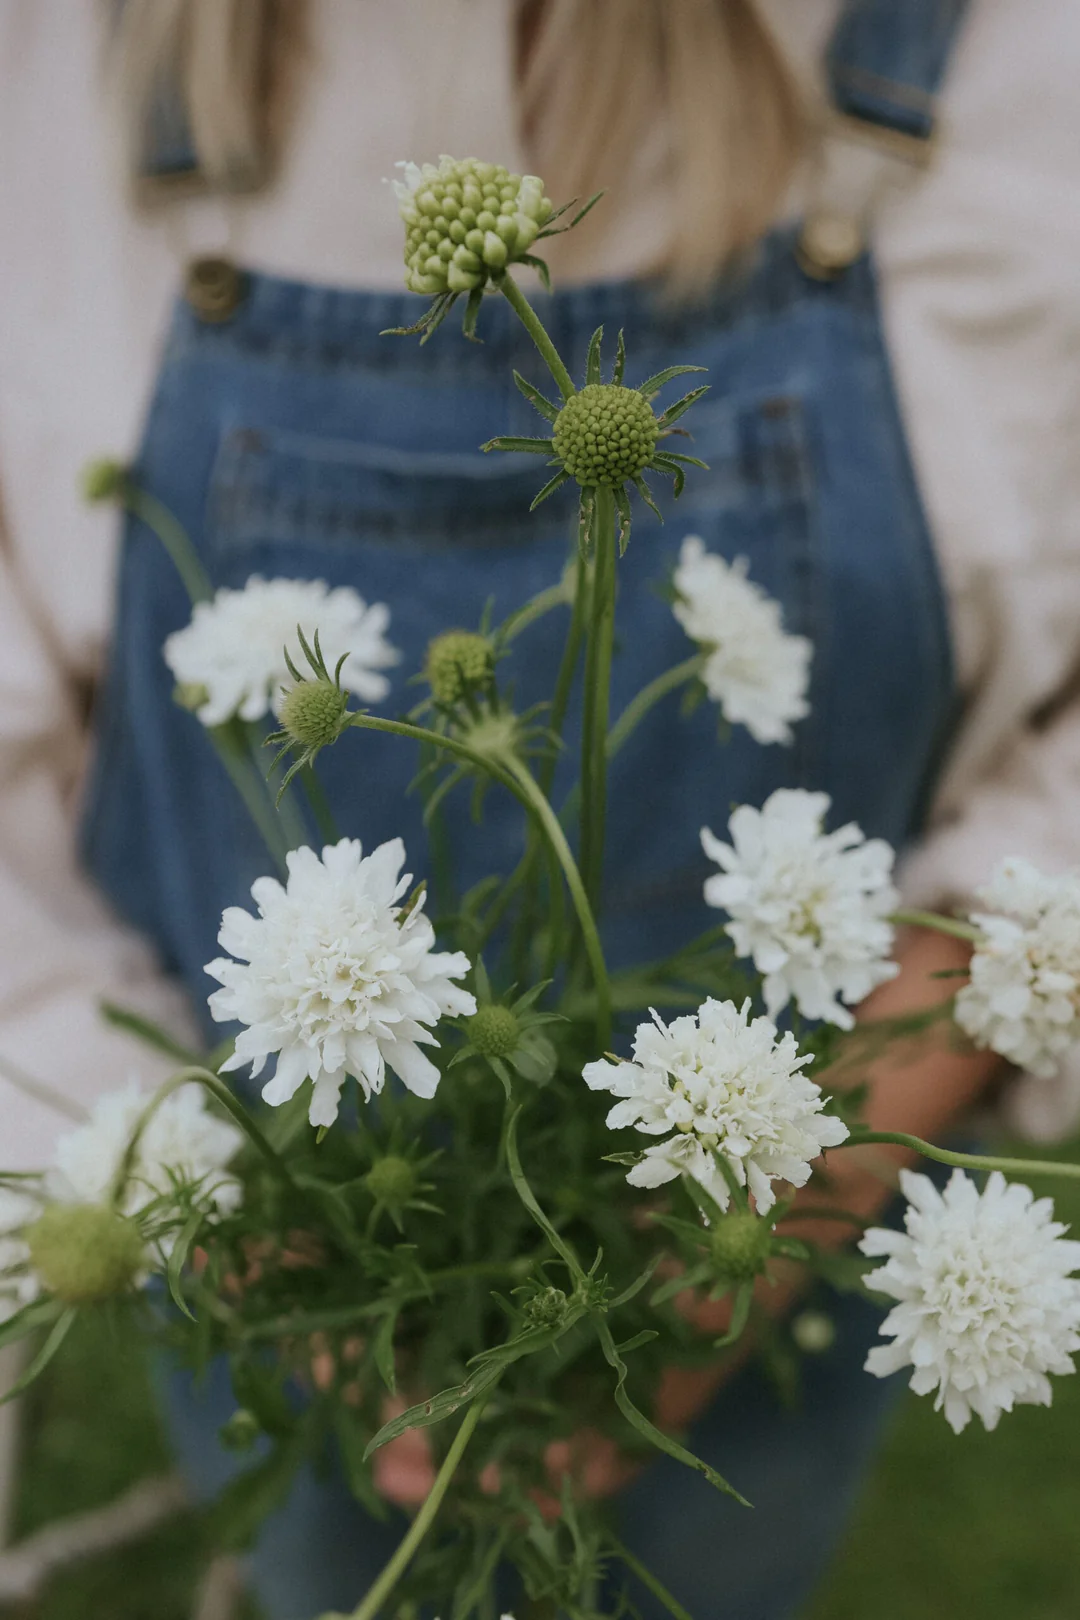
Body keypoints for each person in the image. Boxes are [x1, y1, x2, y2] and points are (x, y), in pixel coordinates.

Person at [1, 0, 1079, 1613]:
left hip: (796, 1212)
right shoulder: (58, 67)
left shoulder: (1015, 62)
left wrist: (847, 1134)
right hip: (256, 1195)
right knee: (323, 1561)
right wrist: (182, 1182)